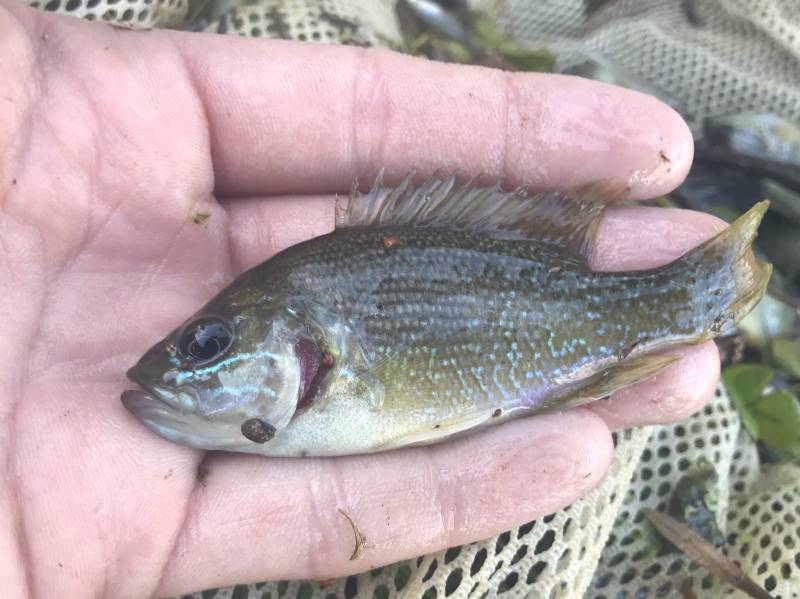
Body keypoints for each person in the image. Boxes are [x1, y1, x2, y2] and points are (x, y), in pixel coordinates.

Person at [0, 1, 725, 596]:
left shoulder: (318, 319)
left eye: (209, 343)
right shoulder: (306, 318)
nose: (182, 363)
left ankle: (695, 292)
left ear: (308, 354)